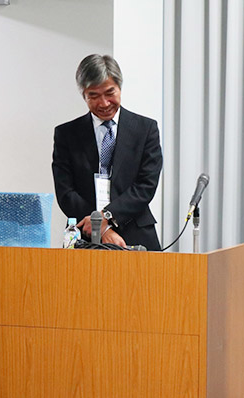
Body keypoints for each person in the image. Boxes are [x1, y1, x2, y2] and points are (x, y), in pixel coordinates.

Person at [52, 54, 163, 251]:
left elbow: (146, 185)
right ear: (83, 95)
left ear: (120, 87)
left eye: (109, 92)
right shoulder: (66, 134)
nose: (103, 103)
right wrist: (100, 227)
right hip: (84, 235)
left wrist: (108, 217)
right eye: (93, 96)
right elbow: (65, 192)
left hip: (136, 231)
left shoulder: (145, 129)